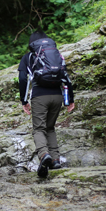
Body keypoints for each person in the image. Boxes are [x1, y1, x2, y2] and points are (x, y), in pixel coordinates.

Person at [18, 30, 75, 178]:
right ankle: (55, 160)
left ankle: (44, 155)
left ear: (32, 44)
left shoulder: (28, 57)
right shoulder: (56, 55)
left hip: (39, 96)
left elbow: (23, 79)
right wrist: (69, 100)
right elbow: (66, 77)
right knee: (50, 128)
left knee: (38, 129)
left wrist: (24, 101)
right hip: (57, 96)